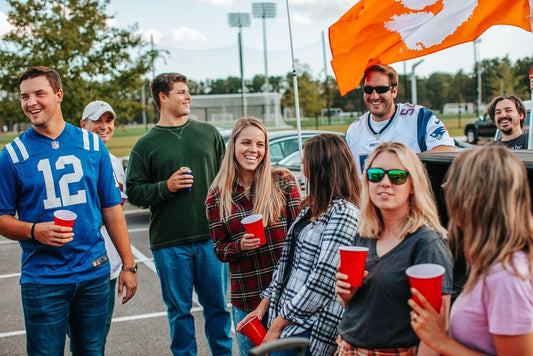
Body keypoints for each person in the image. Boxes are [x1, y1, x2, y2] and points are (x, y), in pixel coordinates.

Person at [0, 66, 137, 355]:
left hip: (93, 273)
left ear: (58, 95)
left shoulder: (91, 144)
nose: (31, 102)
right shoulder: (12, 155)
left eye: (39, 93)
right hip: (43, 278)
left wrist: (127, 264)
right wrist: (34, 231)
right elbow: (2, 218)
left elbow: (112, 209)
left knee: (91, 351)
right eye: (25, 96)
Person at [126, 72, 232, 355]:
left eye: (188, 91)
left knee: (219, 310)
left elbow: (227, 180)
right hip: (169, 243)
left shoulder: (208, 134)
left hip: (211, 239)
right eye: (181, 92)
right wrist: (166, 186)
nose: (188, 97)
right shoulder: (145, 144)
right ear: (163, 97)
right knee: (179, 313)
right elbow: (134, 192)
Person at [237, 133, 361, 356]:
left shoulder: (345, 213)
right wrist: (261, 308)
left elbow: (323, 280)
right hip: (286, 319)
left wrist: (277, 325)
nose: (302, 170)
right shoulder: (311, 207)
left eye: (305, 163)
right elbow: (286, 264)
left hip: (309, 326)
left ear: (321, 167)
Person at [409, 145, 533, 355]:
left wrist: (441, 340)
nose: (447, 193)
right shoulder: (492, 263)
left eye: (452, 186)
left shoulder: (506, 276)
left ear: (473, 200)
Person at [335, 141, 453, 356]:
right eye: (376, 174)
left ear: (412, 185)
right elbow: (363, 310)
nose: (385, 182)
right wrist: (346, 295)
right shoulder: (363, 235)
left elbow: (436, 330)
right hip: (348, 348)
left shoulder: (427, 243)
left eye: (397, 176)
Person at [206, 117, 302, 356]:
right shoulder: (217, 195)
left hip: (287, 296)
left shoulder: (283, 181)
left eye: (260, 144)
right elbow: (219, 249)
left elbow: (300, 236)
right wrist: (239, 245)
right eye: (246, 142)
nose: (253, 150)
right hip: (247, 298)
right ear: (234, 146)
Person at [346, 64, 456, 177]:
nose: (374, 96)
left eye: (381, 89)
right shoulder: (354, 130)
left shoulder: (419, 117)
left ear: (394, 91)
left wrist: (403, 163)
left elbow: (447, 150)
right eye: (368, 89)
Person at [80, 100, 128, 345]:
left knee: (97, 339)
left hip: (110, 265)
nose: (104, 126)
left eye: (108, 120)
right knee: (83, 338)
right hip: (80, 264)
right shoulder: (74, 160)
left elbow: (116, 215)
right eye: (97, 120)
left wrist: (126, 265)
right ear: (83, 124)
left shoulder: (115, 163)